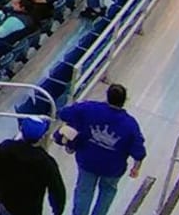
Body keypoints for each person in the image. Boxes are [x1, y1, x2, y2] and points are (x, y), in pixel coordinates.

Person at [57, 84, 144, 215]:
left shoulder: (89, 108)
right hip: (113, 168)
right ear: (125, 100)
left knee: (84, 192)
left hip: (88, 162)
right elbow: (139, 151)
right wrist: (136, 168)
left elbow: (64, 114)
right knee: (107, 192)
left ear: (107, 96)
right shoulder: (130, 124)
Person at [0, 122, 67, 215]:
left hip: (7, 203)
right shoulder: (46, 162)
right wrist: (57, 210)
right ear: (41, 137)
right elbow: (57, 190)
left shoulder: (5, 148)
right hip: (31, 209)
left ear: (21, 130)